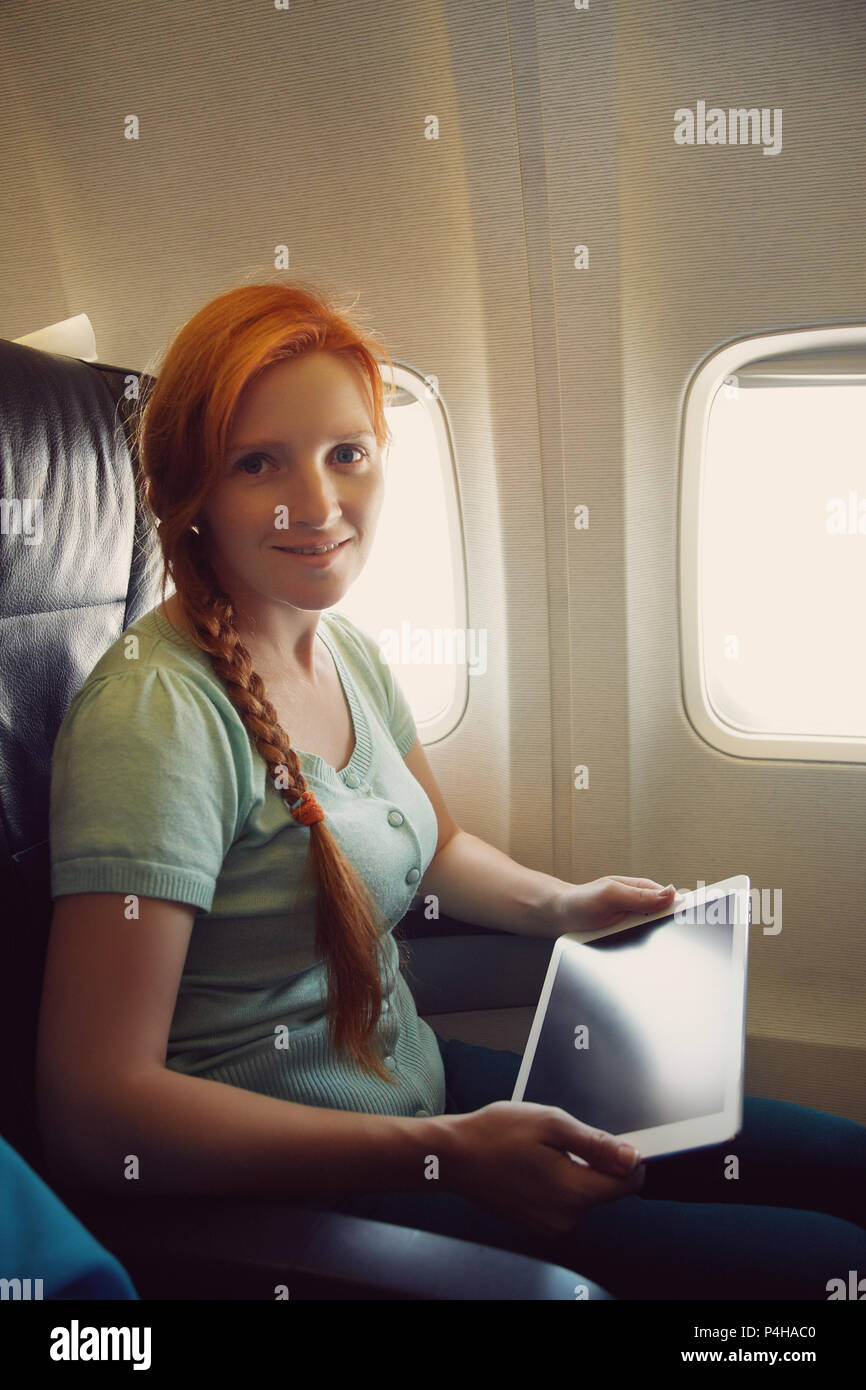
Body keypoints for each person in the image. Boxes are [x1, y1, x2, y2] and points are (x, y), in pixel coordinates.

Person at [38, 280, 866, 1301]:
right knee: (831, 1270)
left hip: (416, 1093)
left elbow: (432, 846)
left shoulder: (341, 650)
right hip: (295, 1181)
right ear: (191, 492)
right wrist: (446, 1150)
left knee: (846, 1166)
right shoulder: (154, 718)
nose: (319, 503)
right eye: (259, 463)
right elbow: (93, 1112)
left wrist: (564, 903)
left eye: (346, 452)